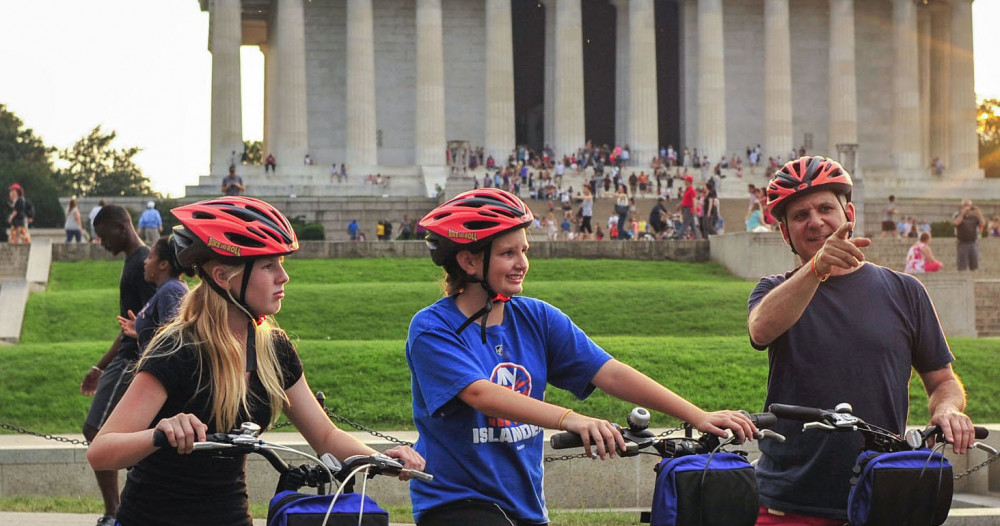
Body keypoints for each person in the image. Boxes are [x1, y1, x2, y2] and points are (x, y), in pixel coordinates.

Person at [407, 188, 756, 526]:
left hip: (525, 505)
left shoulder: (537, 317)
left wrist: (697, 415)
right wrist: (571, 419)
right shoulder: (432, 328)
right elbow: (481, 394)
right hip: (455, 503)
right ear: (468, 260)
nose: (522, 264)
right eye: (507, 253)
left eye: (524, 250)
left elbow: (610, 372)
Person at [87, 196, 424, 526]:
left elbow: (325, 435)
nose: (283, 276)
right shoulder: (179, 349)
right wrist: (159, 433)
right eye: (268, 266)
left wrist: (382, 458)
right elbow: (101, 451)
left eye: (281, 264)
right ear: (223, 276)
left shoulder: (273, 349)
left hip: (231, 515)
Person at [747, 156, 977, 525]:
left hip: (882, 492)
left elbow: (943, 380)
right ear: (786, 233)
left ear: (849, 214)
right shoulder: (774, 289)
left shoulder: (905, 291)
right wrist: (816, 269)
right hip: (789, 499)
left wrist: (947, 409)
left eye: (825, 208)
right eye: (800, 215)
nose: (816, 221)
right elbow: (761, 329)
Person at [80, 205, 157, 526]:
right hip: (127, 357)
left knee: (96, 430)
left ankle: (116, 514)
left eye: (102, 234)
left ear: (120, 227)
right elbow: (130, 323)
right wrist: (99, 368)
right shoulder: (135, 262)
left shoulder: (142, 264)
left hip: (132, 360)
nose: (100, 242)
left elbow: (154, 322)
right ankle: (121, 511)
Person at [117, 237, 190, 351]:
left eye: (150, 257)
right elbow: (161, 335)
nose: (145, 262)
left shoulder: (171, 290)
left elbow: (171, 341)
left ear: (163, 264)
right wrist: (142, 330)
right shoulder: (166, 289)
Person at [953, 199, 984, 272]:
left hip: (973, 242)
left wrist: (979, 213)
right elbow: (956, 223)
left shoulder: (974, 217)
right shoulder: (958, 215)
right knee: (962, 265)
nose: (968, 208)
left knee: (974, 264)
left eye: (970, 206)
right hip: (962, 243)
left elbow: (982, 223)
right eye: (966, 205)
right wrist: (962, 213)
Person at [673, 175, 696, 240]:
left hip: (689, 208)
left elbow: (694, 200)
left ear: (689, 182)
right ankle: (697, 237)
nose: (684, 182)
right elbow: (684, 200)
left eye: (686, 181)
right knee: (693, 225)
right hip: (685, 208)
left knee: (685, 223)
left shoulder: (692, 190)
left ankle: (678, 235)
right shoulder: (687, 190)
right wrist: (679, 205)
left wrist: (694, 209)